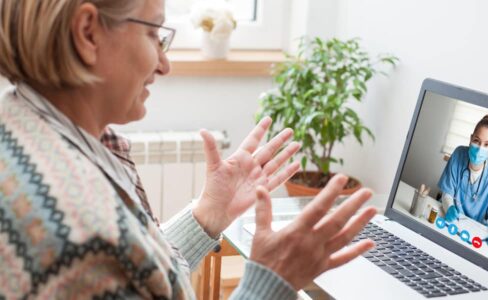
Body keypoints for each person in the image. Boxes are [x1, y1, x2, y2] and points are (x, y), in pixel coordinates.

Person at [0, 0, 377, 299]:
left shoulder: (25, 122)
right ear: (88, 33)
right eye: (155, 36)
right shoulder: (74, 231)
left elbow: (135, 277)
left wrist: (208, 215)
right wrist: (271, 282)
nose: (164, 64)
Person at [437, 113, 488, 256]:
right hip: (451, 223)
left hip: (473, 233)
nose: (480, 148)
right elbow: (447, 192)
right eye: (477, 141)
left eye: (487, 144)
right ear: (470, 139)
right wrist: (449, 206)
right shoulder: (458, 155)